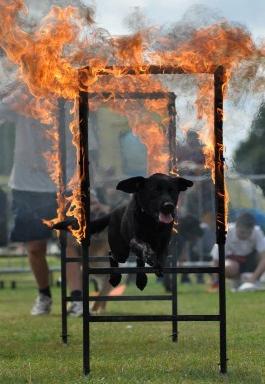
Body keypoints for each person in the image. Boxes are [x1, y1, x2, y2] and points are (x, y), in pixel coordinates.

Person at [0, 85, 85, 316]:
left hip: (63, 185)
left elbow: (85, 146)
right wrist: (16, 92)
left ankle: (77, 299)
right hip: (26, 185)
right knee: (35, 247)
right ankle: (44, 295)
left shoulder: (69, 102)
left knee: (69, 243)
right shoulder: (23, 99)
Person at [210, 212, 265, 290]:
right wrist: (216, 282)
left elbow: (263, 258)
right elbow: (216, 260)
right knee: (228, 267)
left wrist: (253, 278)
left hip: (251, 262)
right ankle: (238, 281)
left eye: (249, 233)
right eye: (242, 232)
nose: (245, 235)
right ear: (236, 226)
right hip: (233, 261)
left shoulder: (257, 232)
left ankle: (252, 280)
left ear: (252, 229)